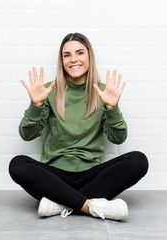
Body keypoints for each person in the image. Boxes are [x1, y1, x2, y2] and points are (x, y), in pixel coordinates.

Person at [8, 33, 148, 220]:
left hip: (91, 174)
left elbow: (118, 138)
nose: (73, 59)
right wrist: (36, 105)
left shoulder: (103, 92)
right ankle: (90, 206)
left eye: (80, 53)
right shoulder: (49, 90)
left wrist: (111, 107)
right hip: (55, 176)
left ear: (89, 56)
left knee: (139, 160)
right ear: (62, 60)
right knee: (17, 165)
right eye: (67, 55)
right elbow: (27, 134)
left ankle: (60, 203)